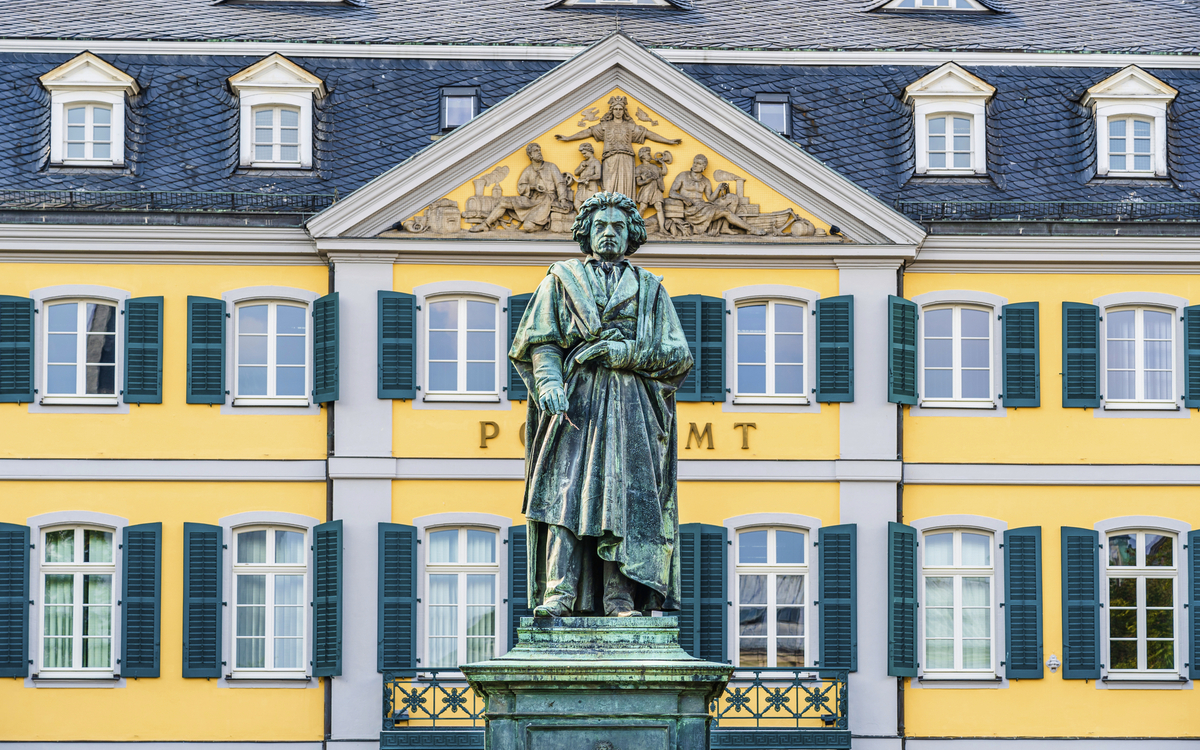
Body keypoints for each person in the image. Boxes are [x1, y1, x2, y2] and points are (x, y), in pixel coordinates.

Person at [509, 192, 694, 617]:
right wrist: (549, 381)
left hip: (633, 409)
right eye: (600, 226)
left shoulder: (650, 289)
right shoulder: (561, 280)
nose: (608, 233)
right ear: (586, 233)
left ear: (631, 234)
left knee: (625, 499)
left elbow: (678, 355)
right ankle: (558, 594)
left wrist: (623, 353)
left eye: (617, 226)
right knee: (565, 494)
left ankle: (620, 598)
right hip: (575, 406)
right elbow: (542, 340)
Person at [554, 96, 681, 200]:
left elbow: (647, 133)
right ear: (612, 111)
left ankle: (625, 212)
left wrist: (668, 141)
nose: (618, 111)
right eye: (616, 109)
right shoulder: (605, 125)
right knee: (608, 185)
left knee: (625, 186)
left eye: (621, 109)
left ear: (624, 111)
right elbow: (588, 132)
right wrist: (568, 138)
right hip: (610, 160)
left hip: (626, 159)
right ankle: (609, 212)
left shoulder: (629, 126)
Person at [470, 142, 570, 232]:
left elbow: (560, 183)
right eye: (536, 151)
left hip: (546, 201)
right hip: (531, 200)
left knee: (528, 227)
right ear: (530, 155)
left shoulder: (551, 167)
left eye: (539, 150)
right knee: (504, 202)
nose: (539, 152)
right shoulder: (528, 170)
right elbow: (521, 187)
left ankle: (544, 223)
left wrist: (563, 199)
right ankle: (485, 224)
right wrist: (533, 187)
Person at [668, 154, 765, 236]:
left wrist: (719, 188)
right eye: (695, 162)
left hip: (702, 206)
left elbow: (710, 198)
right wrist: (684, 198)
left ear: (704, 167)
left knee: (732, 197)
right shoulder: (683, 176)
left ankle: (724, 227)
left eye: (699, 163)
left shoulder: (705, 181)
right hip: (690, 210)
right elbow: (671, 192)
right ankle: (751, 229)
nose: (695, 165)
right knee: (725, 212)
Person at [633, 147, 669, 234]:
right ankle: (635, 226)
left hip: (656, 188)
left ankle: (662, 228)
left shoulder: (655, 167)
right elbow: (638, 182)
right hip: (646, 189)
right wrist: (646, 181)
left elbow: (664, 172)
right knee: (643, 207)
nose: (650, 155)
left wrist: (662, 163)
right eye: (648, 154)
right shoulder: (639, 168)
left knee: (659, 207)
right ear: (642, 156)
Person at [571, 142, 602, 211]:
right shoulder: (583, 162)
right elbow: (576, 173)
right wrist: (581, 167)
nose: (583, 155)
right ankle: (583, 218)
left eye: (585, 153)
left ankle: (588, 220)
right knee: (577, 204)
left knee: (591, 205)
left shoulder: (596, 162)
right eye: (582, 154)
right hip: (582, 186)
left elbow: (598, 175)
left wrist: (589, 178)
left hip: (590, 186)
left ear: (590, 151)